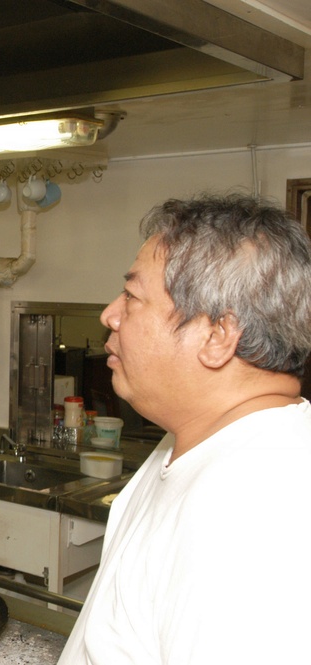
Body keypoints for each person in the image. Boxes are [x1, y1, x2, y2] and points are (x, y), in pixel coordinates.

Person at [58, 193, 311, 664]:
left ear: (217, 337)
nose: (109, 314)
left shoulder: (256, 511)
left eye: (132, 297)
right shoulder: (193, 443)